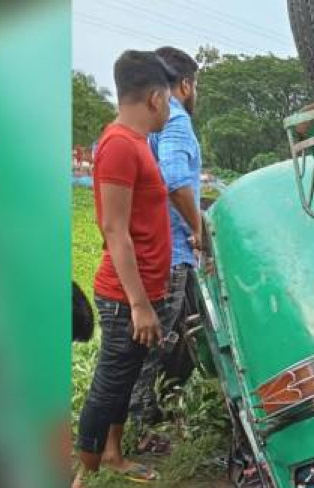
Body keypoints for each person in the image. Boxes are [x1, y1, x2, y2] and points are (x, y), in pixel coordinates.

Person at [72, 51, 176, 488]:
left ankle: (112, 455)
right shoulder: (117, 146)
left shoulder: (136, 144)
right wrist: (137, 303)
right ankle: (82, 478)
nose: (169, 109)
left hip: (143, 292)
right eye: (168, 100)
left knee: (126, 377)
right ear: (155, 98)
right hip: (123, 297)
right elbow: (114, 229)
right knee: (109, 383)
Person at [127, 46, 204, 444]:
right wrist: (200, 227)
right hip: (172, 251)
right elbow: (175, 182)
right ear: (186, 85)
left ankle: (157, 411)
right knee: (157, 343)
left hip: (165, 249)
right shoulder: (175, 120)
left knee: (187, 334)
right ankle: (139, 430)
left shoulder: (152, 120)